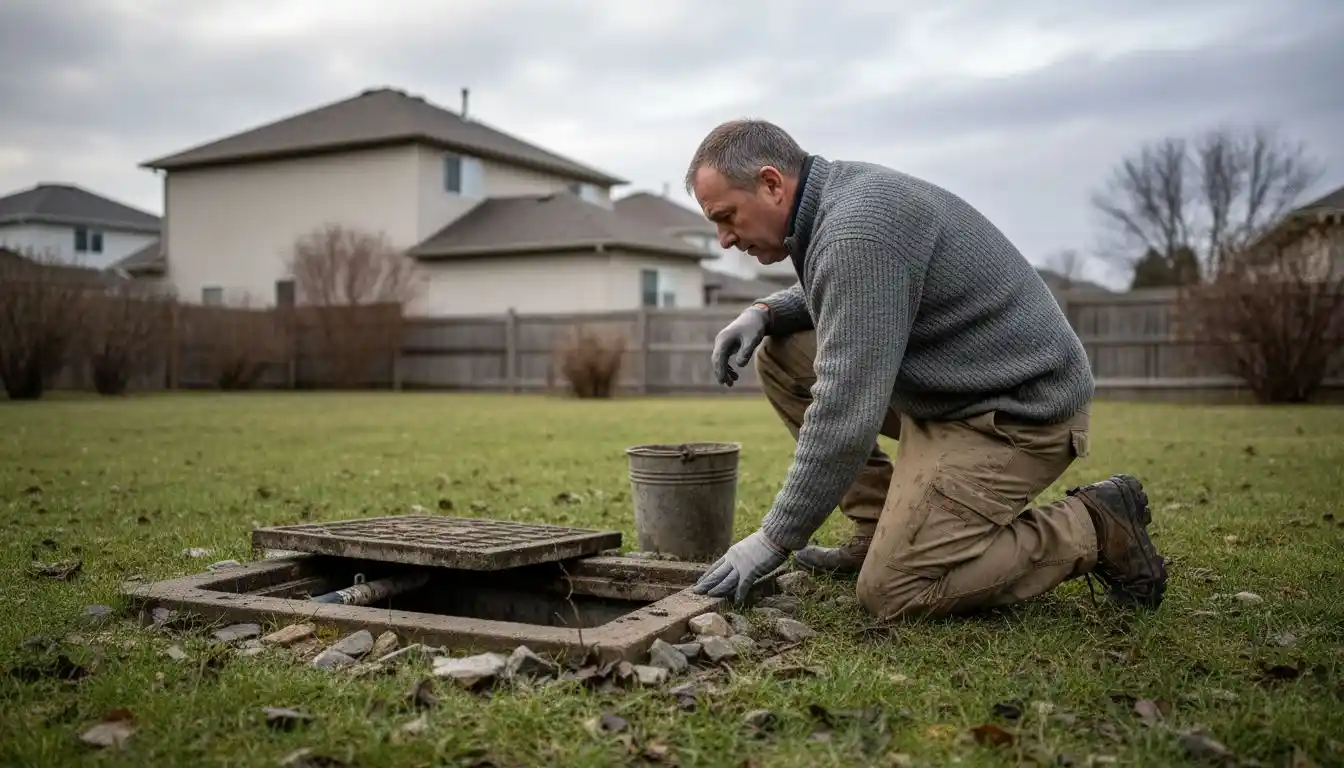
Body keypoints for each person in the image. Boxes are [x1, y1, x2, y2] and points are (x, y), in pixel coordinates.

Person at [685, 119, 1168, 620]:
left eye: (726, 217)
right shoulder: (842, 198)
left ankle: (1096, 523)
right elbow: (862, 287)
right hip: (955, 392)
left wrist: (774, 537)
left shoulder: (855, 230)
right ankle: (875, 528)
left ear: (770, 183)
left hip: (1016, 417)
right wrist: (765, 314)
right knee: (783, 351)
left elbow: (845, 413)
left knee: (894, 591)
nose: (723, 240)